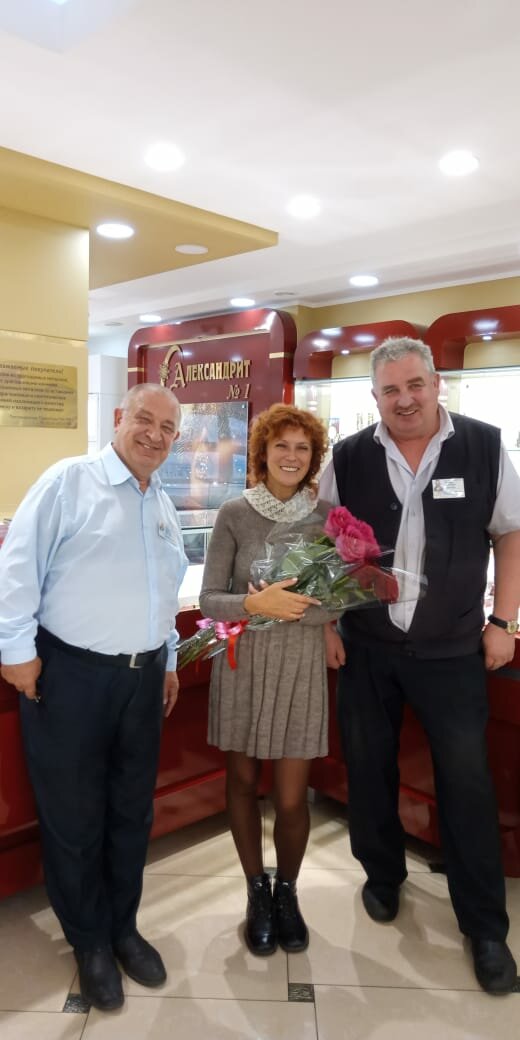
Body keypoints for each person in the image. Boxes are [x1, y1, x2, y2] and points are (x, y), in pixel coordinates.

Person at [320, 336, 520, 995]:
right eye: (390, 390)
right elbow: (325, 544)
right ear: (374, 396)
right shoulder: (348, 456)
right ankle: (382, 876)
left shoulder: (484, 446)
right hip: (368, 647)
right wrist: (327, 623)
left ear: (436, 384)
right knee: (367, 768)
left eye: (414, 385)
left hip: (452, 649)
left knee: (467, 784)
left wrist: (503, 622)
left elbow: (511, 533)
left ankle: (484, 926)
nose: (404, 400)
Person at [0, 383, 188, 1011]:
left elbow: (164, 590)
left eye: (168, 428)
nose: (155, 435)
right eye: (145, 420)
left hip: (142, 681)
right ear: (118, 418)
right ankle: (89, 942)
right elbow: (16, 569)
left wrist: (166, 658)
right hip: (72, 677)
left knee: (131, 812)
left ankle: (123, 928)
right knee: (74, 817)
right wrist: (16, 652)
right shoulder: (69, 482)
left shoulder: (161, 500)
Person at [199, 403, 334, 956]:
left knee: (292, 796)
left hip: (300, 666)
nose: (291, 456)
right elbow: (210, 599)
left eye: (302, 448)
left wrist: (295, 610)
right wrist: (257, 604)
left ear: (313, 458)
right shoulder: (234, 514)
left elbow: (338, 604)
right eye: (282, 445)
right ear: (263, 452)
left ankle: (288, 892)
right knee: (241, 780)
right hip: (244, 664)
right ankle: (256, 889)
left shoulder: (328, 519)